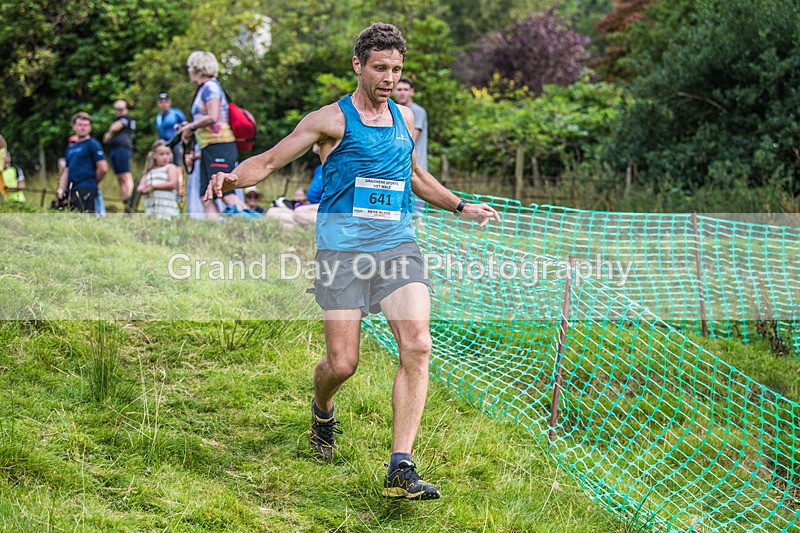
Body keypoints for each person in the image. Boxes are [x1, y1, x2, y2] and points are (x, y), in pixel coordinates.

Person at [205, 22, 500, 500]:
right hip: (342, 253)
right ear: (358, 66)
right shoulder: (330, 120)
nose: (389, 77)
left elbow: (415, 176)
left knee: (419, 345)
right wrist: (231, 179)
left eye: (397, 69)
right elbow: (272, 160)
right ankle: (322, 409)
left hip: (397, 246)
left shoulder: (403, 118)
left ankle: (400, 467)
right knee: (343, 364)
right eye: (380, 68)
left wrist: (461, 206)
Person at [177, 51, 246, 221]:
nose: (188, 71)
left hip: (220, 145)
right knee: (206, 196)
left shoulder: (210, 87)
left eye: (190, 67)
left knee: (226, 193)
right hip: (208, 147)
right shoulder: (204, 88)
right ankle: (217, 233)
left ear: (197, 68)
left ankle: (251, 225)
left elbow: (213, 116)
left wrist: (190, 127)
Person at [393, 76, 429, 216]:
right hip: (398, 164)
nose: (402, 93)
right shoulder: (393, 110)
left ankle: (420, 224)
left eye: (406, 90)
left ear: (411, 92)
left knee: (417, 208)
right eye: (399, 89)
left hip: (416, 164)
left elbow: (411, 140)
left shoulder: (417, 111)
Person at [59, 112, 107, 213]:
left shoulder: (93, 144)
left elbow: (103, 168)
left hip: (87, 187)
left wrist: (92, 182)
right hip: (71, 190)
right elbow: (66, 170)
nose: (83, 128)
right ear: (74, 127)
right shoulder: (71, 148)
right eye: (80, 125)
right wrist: (61, 189)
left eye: (86, 125)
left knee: (88, 218)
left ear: (90, 128)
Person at [102, 99, 136, 209]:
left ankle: (130, 200)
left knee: (125, 174)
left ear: (126, 109)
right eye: (116, 109)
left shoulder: (127, 118)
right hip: (114, 149)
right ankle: (125, 201)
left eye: (121, 109)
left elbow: (114, 128)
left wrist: (110, 132)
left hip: (123, 148)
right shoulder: (118, 120)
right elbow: (105, 139)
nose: (118, 111)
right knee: (119, 176)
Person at [137, 139, 180, 219]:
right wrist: (143, 189)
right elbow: (140, 186)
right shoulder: (149, 171)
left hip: (167, 208)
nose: (165, 157)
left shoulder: (170, 167)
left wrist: (153, 187)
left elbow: (173, 183)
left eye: (167, 154)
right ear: (154, 155)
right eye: (162, 154)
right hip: (152, 208)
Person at [155, 92, 186, 165]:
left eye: (166, 102)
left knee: (177, 164)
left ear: (169, 103)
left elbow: (185, 126)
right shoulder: (158, 117)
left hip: (175, 143)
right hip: (164, 144)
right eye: (161, 102)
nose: (164, 104)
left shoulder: (176, 113)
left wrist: (183, 144)